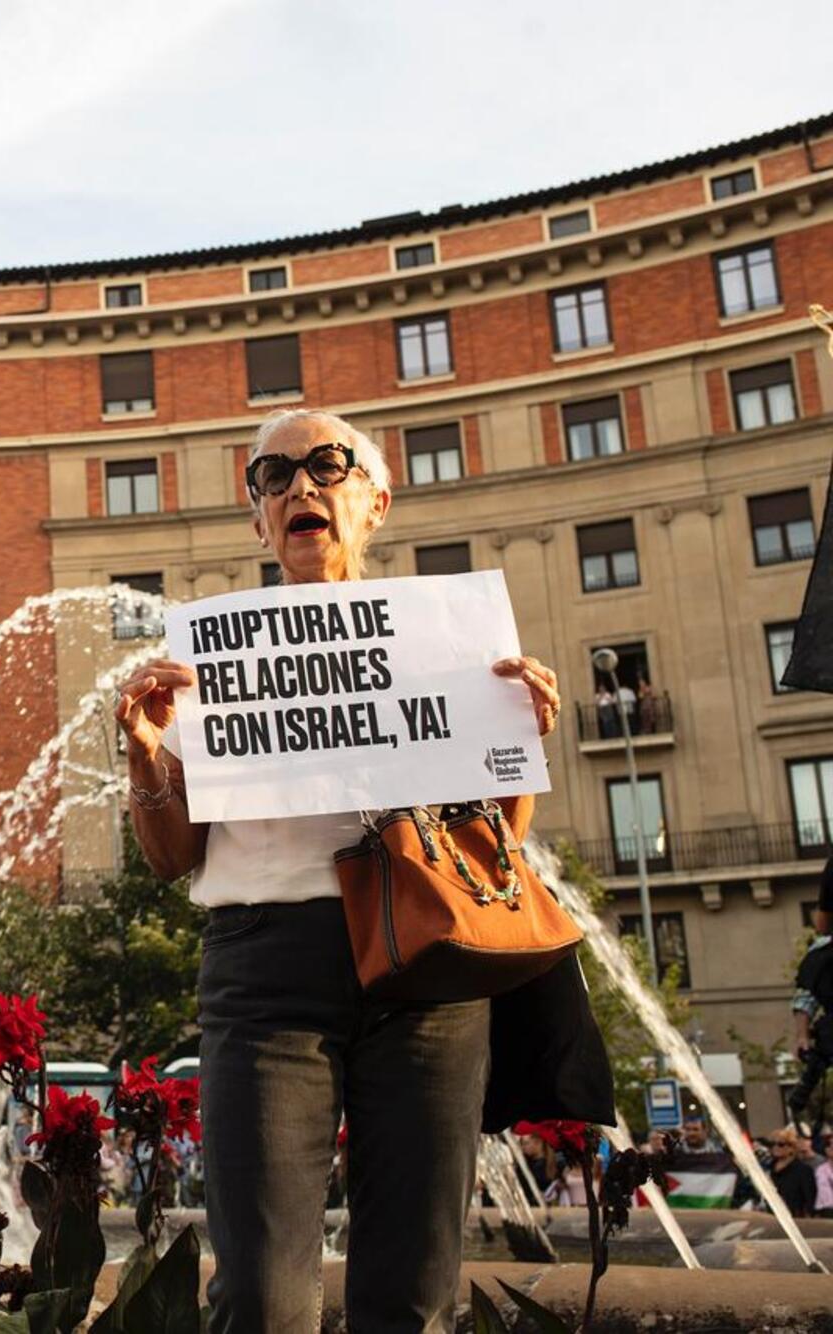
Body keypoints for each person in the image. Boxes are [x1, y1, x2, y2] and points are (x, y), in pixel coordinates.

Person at [117, 409, 591, 1332]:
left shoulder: (448, 646)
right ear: (258, 520)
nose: (300, 485)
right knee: (258, 1301)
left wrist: (518, 738)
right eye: (273, 475)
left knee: (415, 1297)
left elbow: (495, 844)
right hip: (265, 970)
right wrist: (145, 758)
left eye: (326, 465)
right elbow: (174, 858)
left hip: (430, 967)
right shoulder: (214, 659)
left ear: (374, 500)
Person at [789, 859, 833, 1129]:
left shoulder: (820, 955)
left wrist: (802, 1034)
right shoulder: (821, 956)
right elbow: (806, 994)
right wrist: (803, 1035)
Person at [767, 1128, 818, 1218]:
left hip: (796, 1219)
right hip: (772, 1218)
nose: (775, 1147)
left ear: (792, 1148)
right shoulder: (768, 1169)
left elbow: (810, 1200)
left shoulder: (803, 1170)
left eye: (781, 1144)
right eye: (772, 1144)